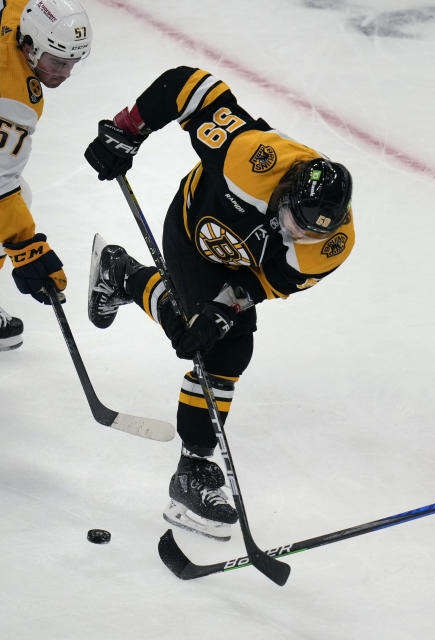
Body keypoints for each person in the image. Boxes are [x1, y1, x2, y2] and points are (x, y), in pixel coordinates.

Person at [83, 66, 355, 541]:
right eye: (293, 219)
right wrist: (128, 130)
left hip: (240, 266)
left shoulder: (328, 247)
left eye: (309, 232)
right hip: (192, 230)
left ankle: (122, 276)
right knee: (221, 350)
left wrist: (224, 307)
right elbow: (190, 86)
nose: (294, 233)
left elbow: (264, 284)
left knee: (217, 339)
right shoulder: (252, 157)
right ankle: (193, 470)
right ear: (287, 189)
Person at [0, 0, 92, 350]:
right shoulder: (14, 98)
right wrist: (28, 249)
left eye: (72, 63)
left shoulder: (21, 15)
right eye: (57, 61)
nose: (64, 74)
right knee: (15, 198)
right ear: (29, 45)